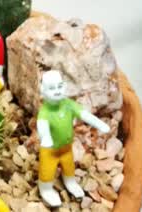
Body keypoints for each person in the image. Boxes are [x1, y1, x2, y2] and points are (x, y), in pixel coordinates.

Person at [37, 70, 110, 207]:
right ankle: (45, 189)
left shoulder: (68, 104)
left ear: (64, 86)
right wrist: (45, 137)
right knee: (47, 171)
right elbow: (42, 125)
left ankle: (70, 181)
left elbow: (84, 114)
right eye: (52, 88)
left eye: (59, 86)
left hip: (66, 148)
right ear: (43, 91)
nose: (57, 91)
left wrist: (99, 123)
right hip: (50, 151)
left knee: (69, 166)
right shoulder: (45, 111)